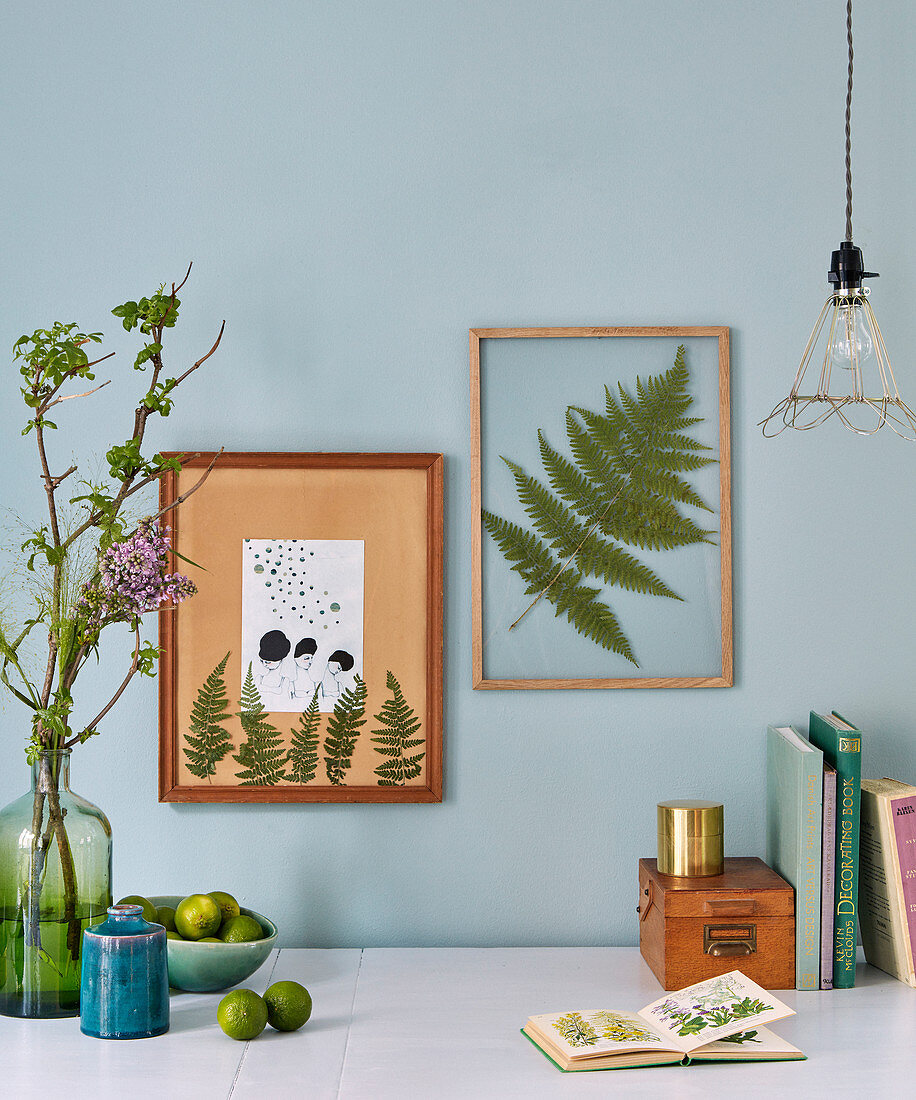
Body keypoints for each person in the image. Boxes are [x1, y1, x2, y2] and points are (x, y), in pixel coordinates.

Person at [256, 629, 291, 698]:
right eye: (262, 661)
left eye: (268, 662)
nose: (264, 664)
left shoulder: (285, 681)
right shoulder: (259, 678)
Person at [289, 637, 318, 701]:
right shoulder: (290, 684)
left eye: (311, 658)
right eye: (306, 658)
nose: (310, 662)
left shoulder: (316, 684)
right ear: (296, 659)